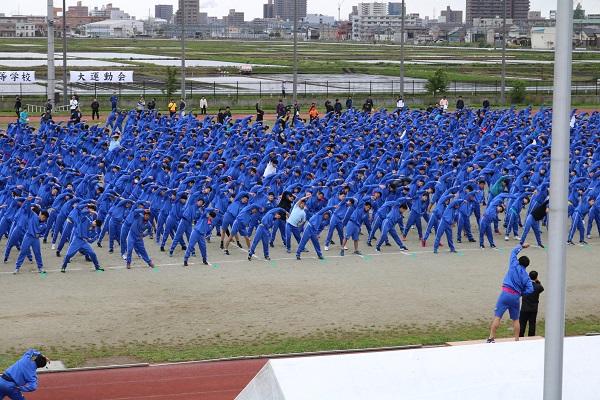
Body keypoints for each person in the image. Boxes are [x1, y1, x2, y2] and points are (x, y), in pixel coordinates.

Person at [487, 243, 534, 343]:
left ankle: (491, 338)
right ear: (527, 265)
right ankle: (516, 340)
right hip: (515, 297)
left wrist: (522, 246)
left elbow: (513, 251)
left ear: (519, 261)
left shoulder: (514, 264)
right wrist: (521, 293)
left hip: (505, 294)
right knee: (516, 319)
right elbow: (530, 289)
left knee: (498, 317)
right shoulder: (526, 276)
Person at [14, 200, 48, 275]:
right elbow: (28, 208)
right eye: (43, 217)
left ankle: (40, 267)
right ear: (41, 214)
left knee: (37, 253)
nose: (44, 219)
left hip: (36, 239)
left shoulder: (44, 225)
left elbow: (43, 234)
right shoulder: (33, 215)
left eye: (45, 218)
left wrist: (40, 235)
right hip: (28, 237)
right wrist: (28, 201)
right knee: (23, 252)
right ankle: (17, 267)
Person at [519, 270, 544, 337]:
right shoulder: (538, 287)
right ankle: (531, 338)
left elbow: (520, 292)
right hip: (533, 308)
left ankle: (520, 337)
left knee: (522, 324)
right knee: (532, 324)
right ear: (536, 277)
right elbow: (542, 289)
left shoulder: (525, 286)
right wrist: (538, 282)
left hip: (524, 308)